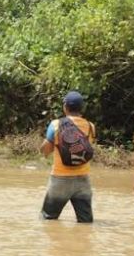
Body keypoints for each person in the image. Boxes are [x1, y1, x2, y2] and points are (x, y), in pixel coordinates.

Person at [39, 91, 96, 223]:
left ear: (65, 107)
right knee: (85, 222)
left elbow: (46, 150)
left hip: (60, 179)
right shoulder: (90, 126)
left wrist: (44, 149)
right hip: (83, 180)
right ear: (82, 108)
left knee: (48, 220)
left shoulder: (56, 125)